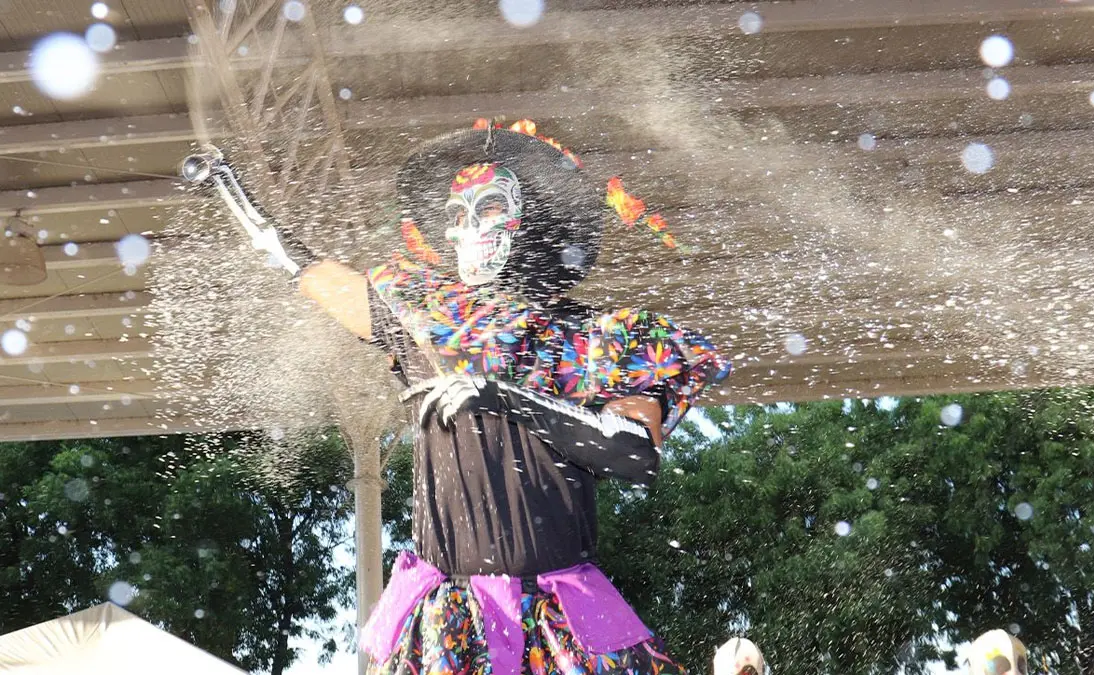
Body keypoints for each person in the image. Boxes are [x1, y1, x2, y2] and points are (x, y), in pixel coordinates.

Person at [183, 121, 729, 675]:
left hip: (561, 624)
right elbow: (306, 269)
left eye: (488, 208)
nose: (465, 230)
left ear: (533, 221)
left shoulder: (600, 341)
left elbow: (634, 451)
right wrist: (231, 189)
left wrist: (503, 397)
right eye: (457, 215)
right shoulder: (432, 326)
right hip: (449, 626)